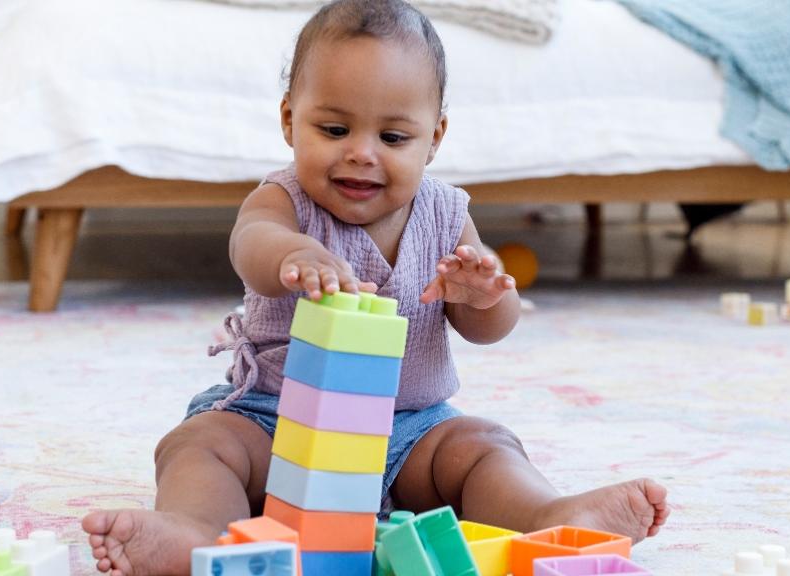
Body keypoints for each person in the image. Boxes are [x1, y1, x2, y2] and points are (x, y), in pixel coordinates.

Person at [82, 1, 669, 574]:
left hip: (409, 432)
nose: (361, 153)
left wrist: (485, 296)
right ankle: (194, 532)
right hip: (275, 423)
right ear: (290, 120)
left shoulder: (445, 213)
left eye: (393, 138)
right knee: (199, 444)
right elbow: (251, 243)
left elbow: (489, 328)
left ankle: (548, 516)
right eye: (334, 129)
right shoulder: (283, 201)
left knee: (483, 445)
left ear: (433, 138)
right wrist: (295, 253)